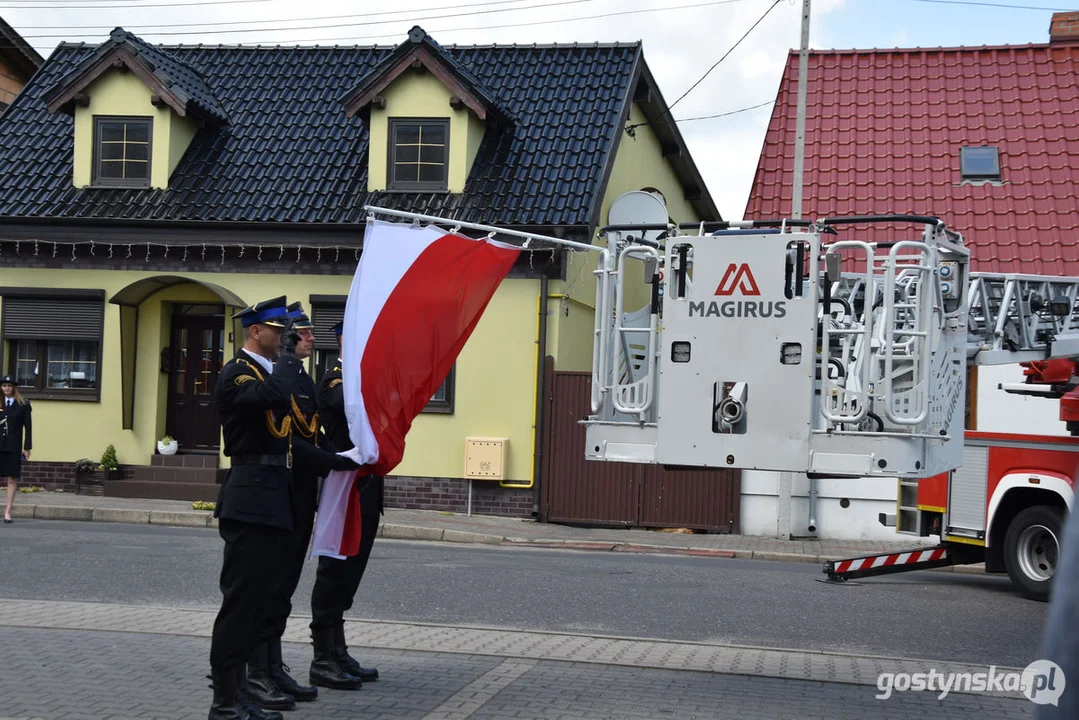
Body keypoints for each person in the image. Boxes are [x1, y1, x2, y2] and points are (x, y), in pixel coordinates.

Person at [207, 296, 357, 720]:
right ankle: (225, 700)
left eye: (287, 332)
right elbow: (274, 395)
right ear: (256, 332)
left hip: (274, 496)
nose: (286, 336)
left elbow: (296, 437)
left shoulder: (271, 370)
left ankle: (242, 691)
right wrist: (291, 356)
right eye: (280, 330)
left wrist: (342, 460)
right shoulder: (236, 373)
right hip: (250, 496)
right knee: (240, 603)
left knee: (259, 601)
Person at [246, 303, 321, 706]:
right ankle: (255, 671)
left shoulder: (300, 378)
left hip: (298, 493)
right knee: (268, 588)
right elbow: (292, 438)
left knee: (284, 589)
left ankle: (272, 666)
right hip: (279, 489)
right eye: (300, 334)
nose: (308, 340)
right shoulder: (270, 375)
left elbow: (309, 432)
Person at [308, 319, 383, 690]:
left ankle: (338, 650)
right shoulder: (333, 376)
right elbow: (343, 404)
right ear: (343, 341)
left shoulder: (361, 376)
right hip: (343, 487)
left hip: (367, 490)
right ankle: (322, 656)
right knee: (333, 573)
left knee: (351, 575)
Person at [0, 375, 31, 524]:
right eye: (4, 385)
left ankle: (8, 511)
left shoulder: (23, 404)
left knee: (11, 479)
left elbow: (28, 427)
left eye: (9, 386)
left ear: (14, 388)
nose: (6, 388)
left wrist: (27, 447)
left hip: (13, 446)